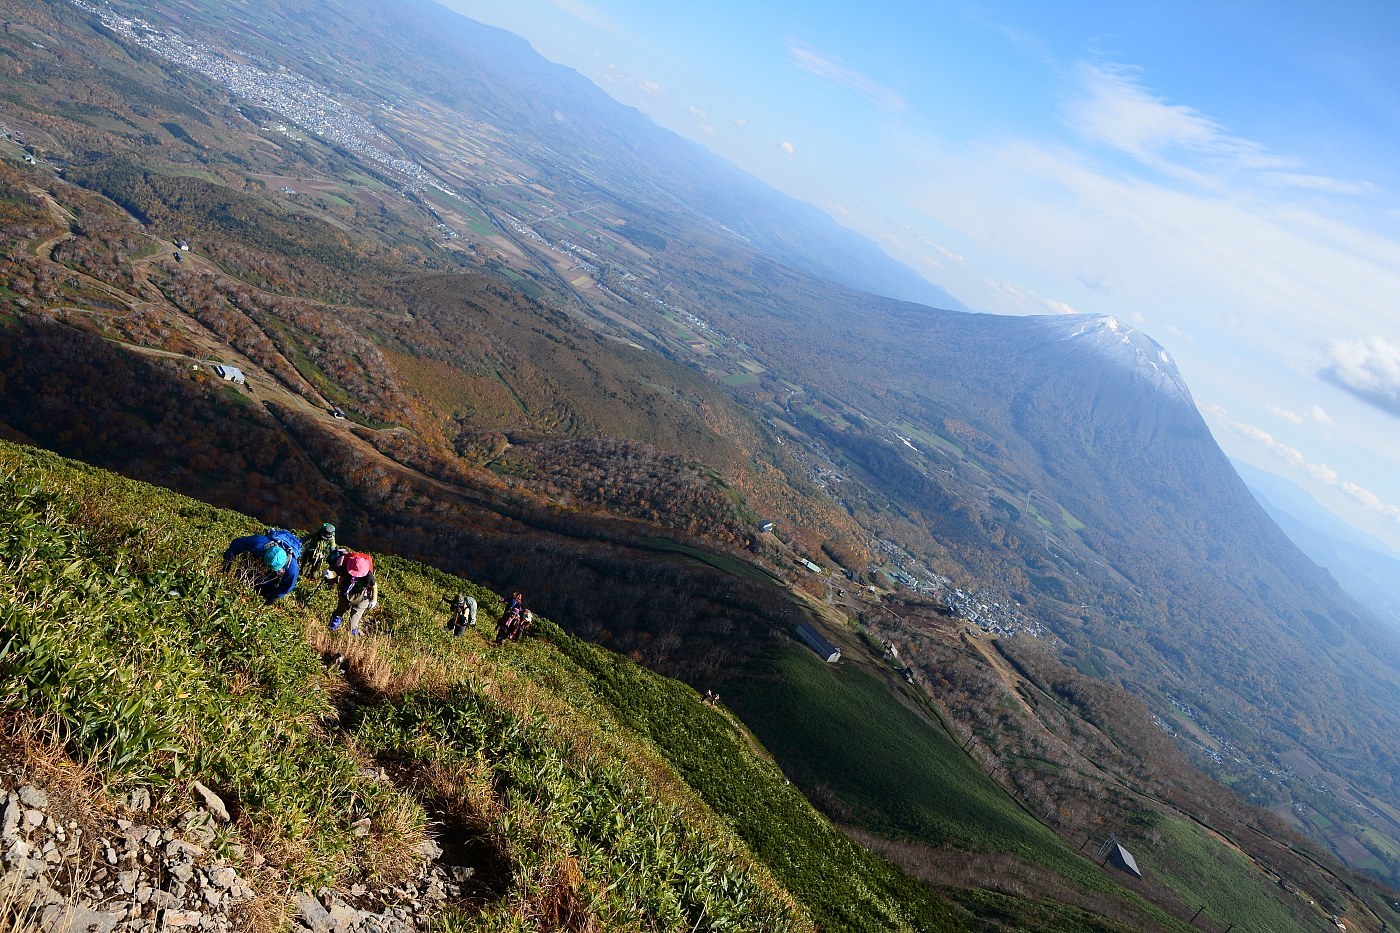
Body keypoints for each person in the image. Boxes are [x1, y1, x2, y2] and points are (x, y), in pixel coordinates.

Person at [222, 528, 302, 603]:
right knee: (246, 568)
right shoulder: (258, 543)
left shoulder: (292, 568)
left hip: (274, 572)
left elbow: (288, 586)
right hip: (258, 557)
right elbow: (236, 544)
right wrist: (227, 564)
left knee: (266, 588)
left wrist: (273, 596)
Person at [329, 551, 378, 636]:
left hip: (362, 598)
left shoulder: (368, 575)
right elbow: (336, 572)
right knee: (339, 612)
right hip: (346, 594)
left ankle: (351, 636)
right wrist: (330, 575)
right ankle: (331, 630)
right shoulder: (347, 567)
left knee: (353, 621)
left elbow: (374, 586)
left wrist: (374, 600)